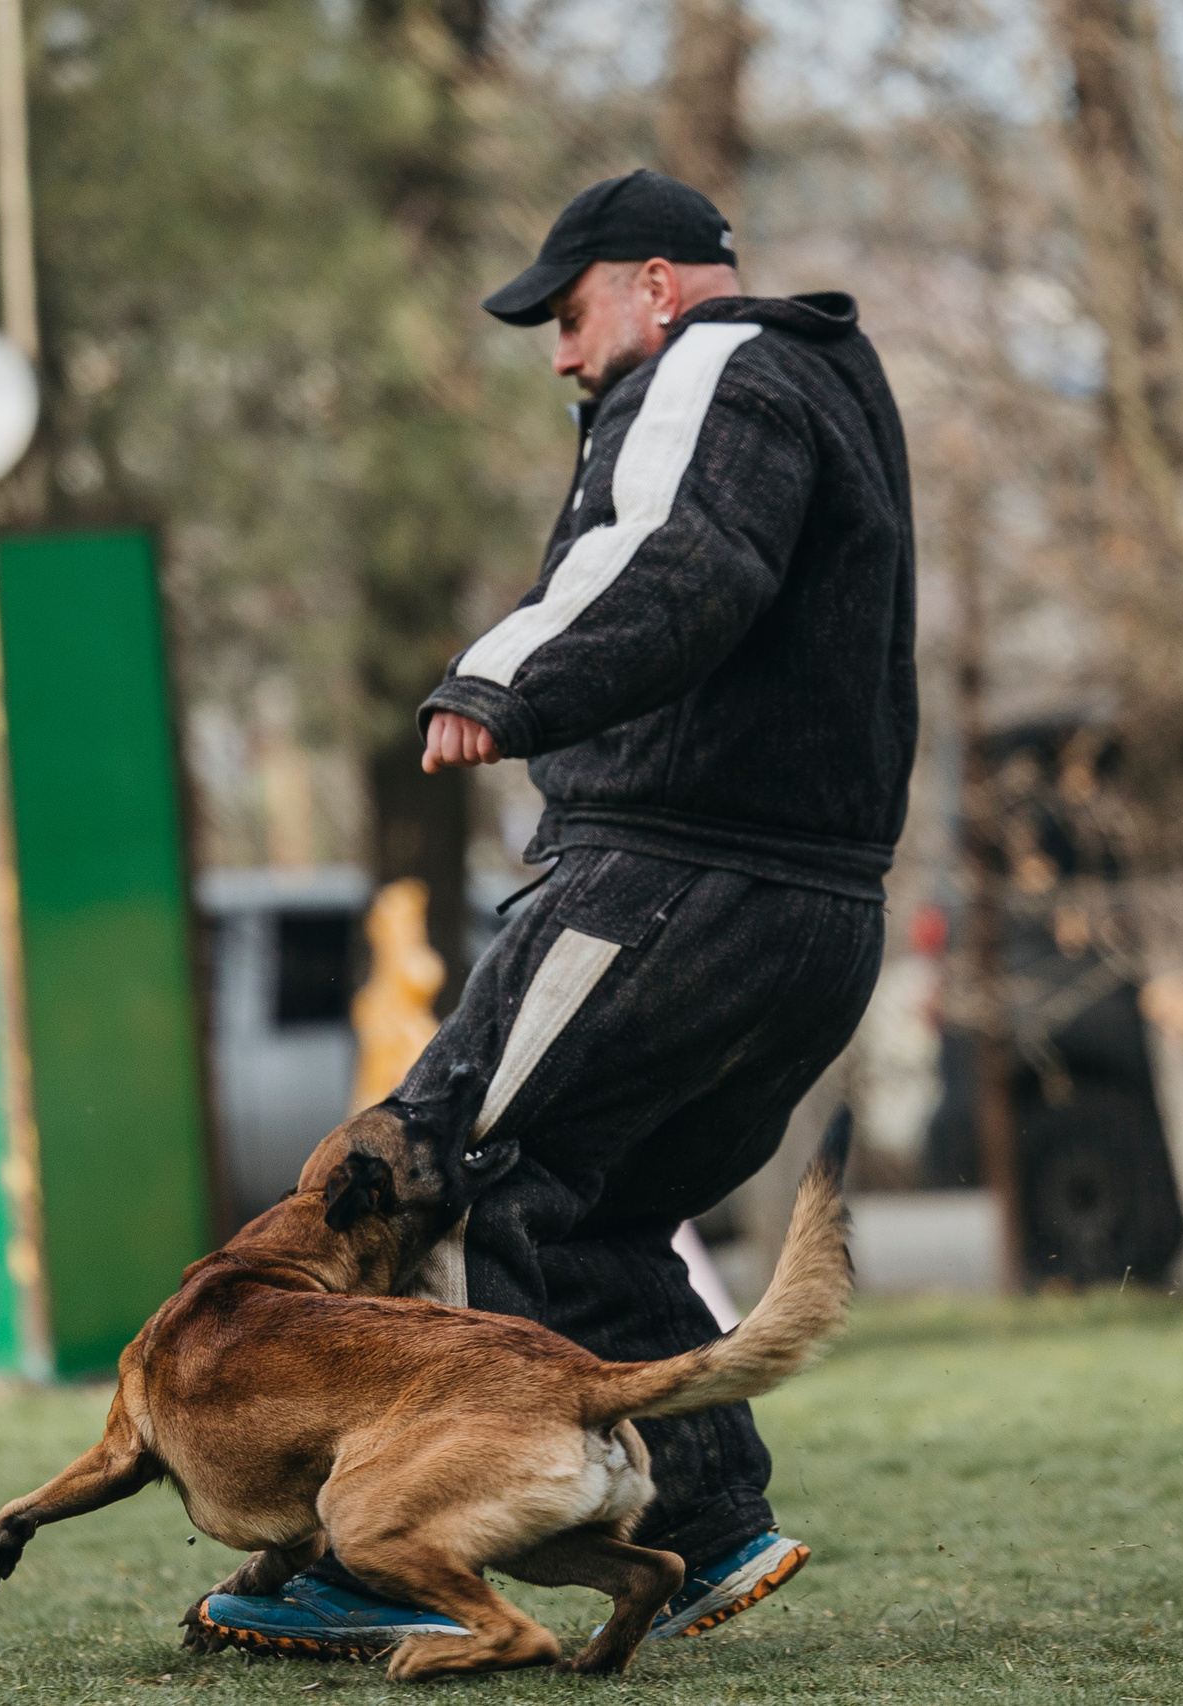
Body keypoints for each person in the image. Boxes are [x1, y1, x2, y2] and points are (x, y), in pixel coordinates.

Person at [198, 168, 916, 1654]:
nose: (561, 355)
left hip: (672, 877)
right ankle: (705, 1528)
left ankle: (372, 1554)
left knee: (440, 1169)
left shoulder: (723, 362)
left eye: (571, 312)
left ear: (658, 281)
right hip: (811, 905)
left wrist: (502, 677)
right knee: (588, 1203)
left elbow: (680, 555)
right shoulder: (828, 387)